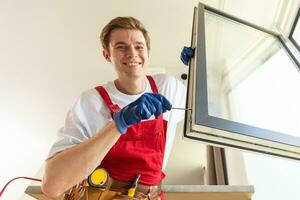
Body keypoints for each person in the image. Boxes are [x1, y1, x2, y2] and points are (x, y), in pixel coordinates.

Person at [41, 16, 186, 200]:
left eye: (139, 46)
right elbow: (52, 185)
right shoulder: (91, 102)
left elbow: (205, 107)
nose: (132, 53)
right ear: (107, 55)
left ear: (148, 52)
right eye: (121, 47)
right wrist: (118, 124)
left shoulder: (167, 88)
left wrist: (197, 63)